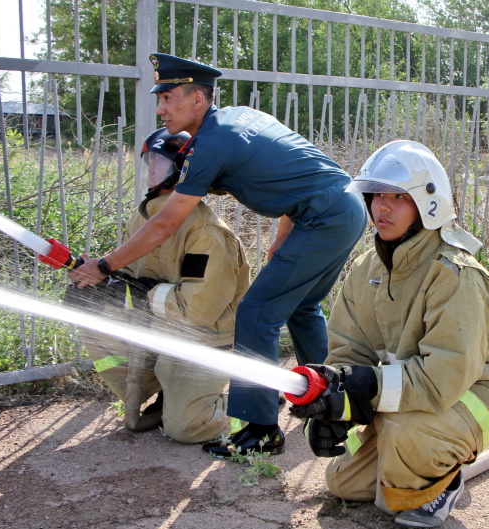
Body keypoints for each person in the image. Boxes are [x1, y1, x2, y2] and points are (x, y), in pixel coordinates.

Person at [69, 53, 367, 456]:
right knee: (303, 308)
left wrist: (104, 266)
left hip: (323, 217)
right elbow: (301, 175)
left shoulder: (208, 144)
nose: (160, 109)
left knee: (257, 313)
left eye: (169, 98)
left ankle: (261, 428)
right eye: (160, 99)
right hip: (342, 208)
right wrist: (282, 236)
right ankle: (332, 400)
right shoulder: (241, 117)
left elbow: (164, 224)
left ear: (198, 99)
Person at [290, 140, 489, 528]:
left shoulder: (455, 275)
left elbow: (442, 377)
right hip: (417, 394)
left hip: (476, 396)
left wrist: (367, 385)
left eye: (398, 197)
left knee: (403, 448)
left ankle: (444, 481)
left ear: (429, 203)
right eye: (376, 195)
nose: (381, 207)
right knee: (343, 483)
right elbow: (350, 350)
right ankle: (414, 463)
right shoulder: (366, 269)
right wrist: (337, 406)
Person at [65, 127, 251, 444]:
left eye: (160, 161)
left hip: (202, 340)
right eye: (148, 159)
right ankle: (168, 391)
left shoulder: (206, 233)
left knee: (185, 428)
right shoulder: (142, 221)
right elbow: (133, 279)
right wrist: (99, 282)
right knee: (91, 311)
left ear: (183, 171)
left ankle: (250, 403)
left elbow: (199, 311)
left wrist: (140, 295)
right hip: (158, 330)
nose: (151, 167)